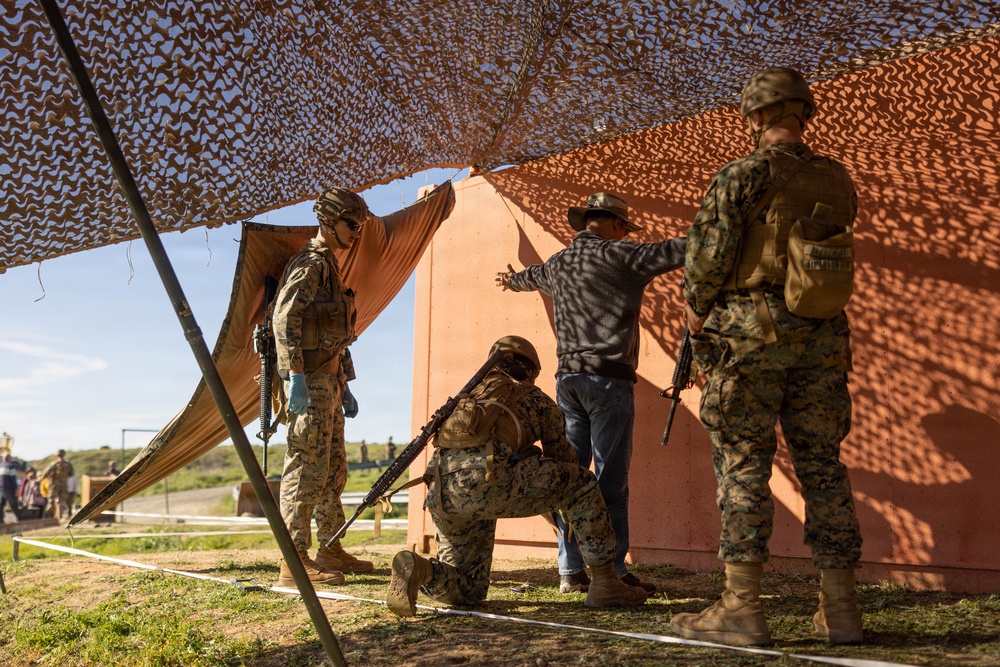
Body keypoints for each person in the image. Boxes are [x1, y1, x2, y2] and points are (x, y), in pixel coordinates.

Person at [669, 67, 864, 646]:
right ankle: (842, 609)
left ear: (755, 117)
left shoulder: (743, 173)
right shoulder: (837, 179)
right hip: (824, 337)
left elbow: (708, 257)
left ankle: (742, 608)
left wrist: (696, 311)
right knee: (823, 464)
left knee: (744, 460)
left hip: (751, 333)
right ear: (803, 113)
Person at [497, 192, 686, 594]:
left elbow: (529, 276)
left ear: (585, 222)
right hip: (609, 382)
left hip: (568, 384)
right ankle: (613, 572)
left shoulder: (559, 263)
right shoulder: (623, 255)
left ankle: (570, 572)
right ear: (617, 225)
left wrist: (510, 281)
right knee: (611, 481)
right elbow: (677, 251)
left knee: (569, 477)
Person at [386, 336, 648, 616]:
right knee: (583, 483)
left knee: (470, 590)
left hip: (442, 493)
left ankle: (420, 569)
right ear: (530, 371)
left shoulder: (466, 398)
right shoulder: (533, 398)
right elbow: (564, 463)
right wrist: (559, 505)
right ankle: (606, 583)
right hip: (489, 483)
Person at [271, 186, 373, 588]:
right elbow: (284, 319)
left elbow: (337, 333)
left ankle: (330, 548)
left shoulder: (331, 267)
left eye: (361, 226)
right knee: (305, 468)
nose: (357, 233)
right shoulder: (311, 264)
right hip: (309, 381)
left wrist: (344, 382)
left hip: (328, 380)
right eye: (352, 225)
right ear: (328, 222)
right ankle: (292, 561)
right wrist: (294, 376)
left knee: (332, 469)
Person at [40, 449, 74, 522]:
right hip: (64, 485)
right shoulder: (68, 464)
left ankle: (49, 518)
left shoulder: (54, 464)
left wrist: (39, 480)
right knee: (63, 501)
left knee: (51, 502)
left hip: (54, 485)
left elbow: (45, 473)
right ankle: (63, 517)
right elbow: (72, 474)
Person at [0, 454, 22, 523]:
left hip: (1, 487)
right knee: (13, 503)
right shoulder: (10, 466)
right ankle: (19, 518)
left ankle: (1, 520)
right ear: (9, 458)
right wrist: (15, 488)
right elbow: (12, 478)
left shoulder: (1, 466)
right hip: (8, 487)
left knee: (1, 504)